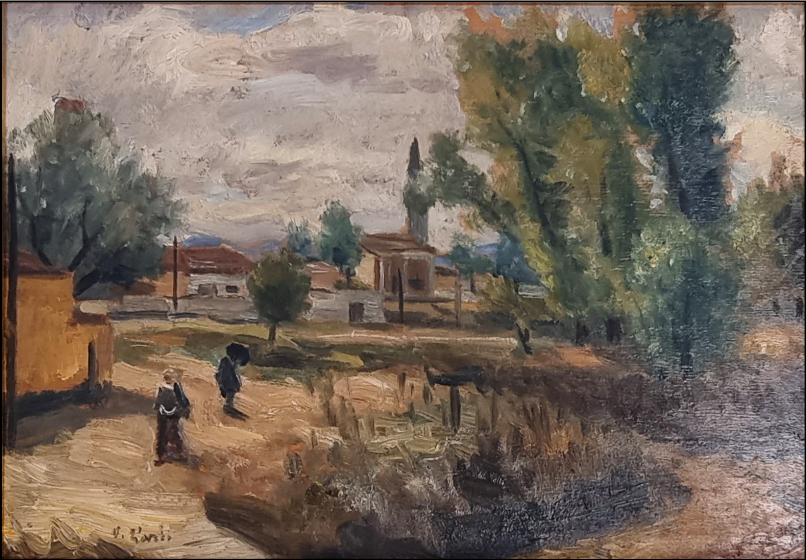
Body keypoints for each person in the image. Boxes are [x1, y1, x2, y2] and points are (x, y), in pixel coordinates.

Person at [154, 368, 191, 466]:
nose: (168, 379)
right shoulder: (165, 387)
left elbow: (183, 400)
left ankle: (174, 453)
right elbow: (182, 400)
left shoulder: (174, 387)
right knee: (165, 433)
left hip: (170, 413)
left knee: (170, 432)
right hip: (166, 413)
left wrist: (185, 409)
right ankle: (163, 455)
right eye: (167, 377)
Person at [216, 343, 250, 410]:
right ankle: (228, 404)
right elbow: (222, 372)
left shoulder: (233, 362)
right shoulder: (226, 361)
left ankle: (229, 404)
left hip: (230, 382)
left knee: (231, 392)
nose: (239, 361)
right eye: (239, 359)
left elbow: (235, 372)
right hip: (228, 381)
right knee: (230, 392)